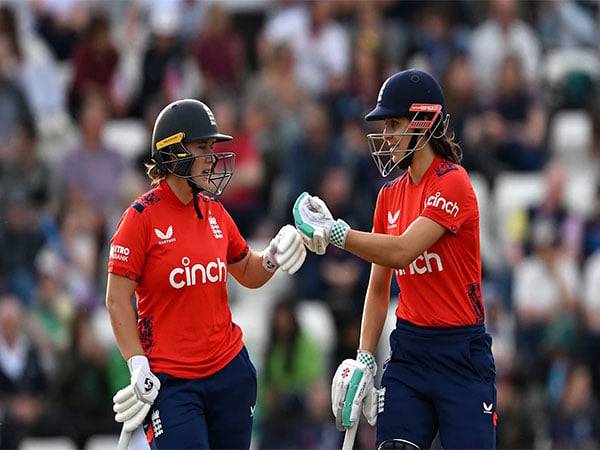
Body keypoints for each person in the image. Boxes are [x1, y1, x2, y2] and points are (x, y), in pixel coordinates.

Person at [293, 69, 496, 449]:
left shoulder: (453, 181)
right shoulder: (389, 195)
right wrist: (365, 358)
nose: (385, 135)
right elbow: (378, 287)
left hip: (461, 352)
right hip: (410, 352)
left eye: (393, 123)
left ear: (423, 122)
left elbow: (403, 250)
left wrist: (338, 233)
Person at [105, 98, 306, 449]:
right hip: (172, 381)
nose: (212, 157)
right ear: (173, 152)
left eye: (212, 147)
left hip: (229, 370)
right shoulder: (140, 218)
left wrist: (273, 255)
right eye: (202, 147)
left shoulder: (215, 212)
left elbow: (247, 271)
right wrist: (137, 364)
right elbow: (116, 299)